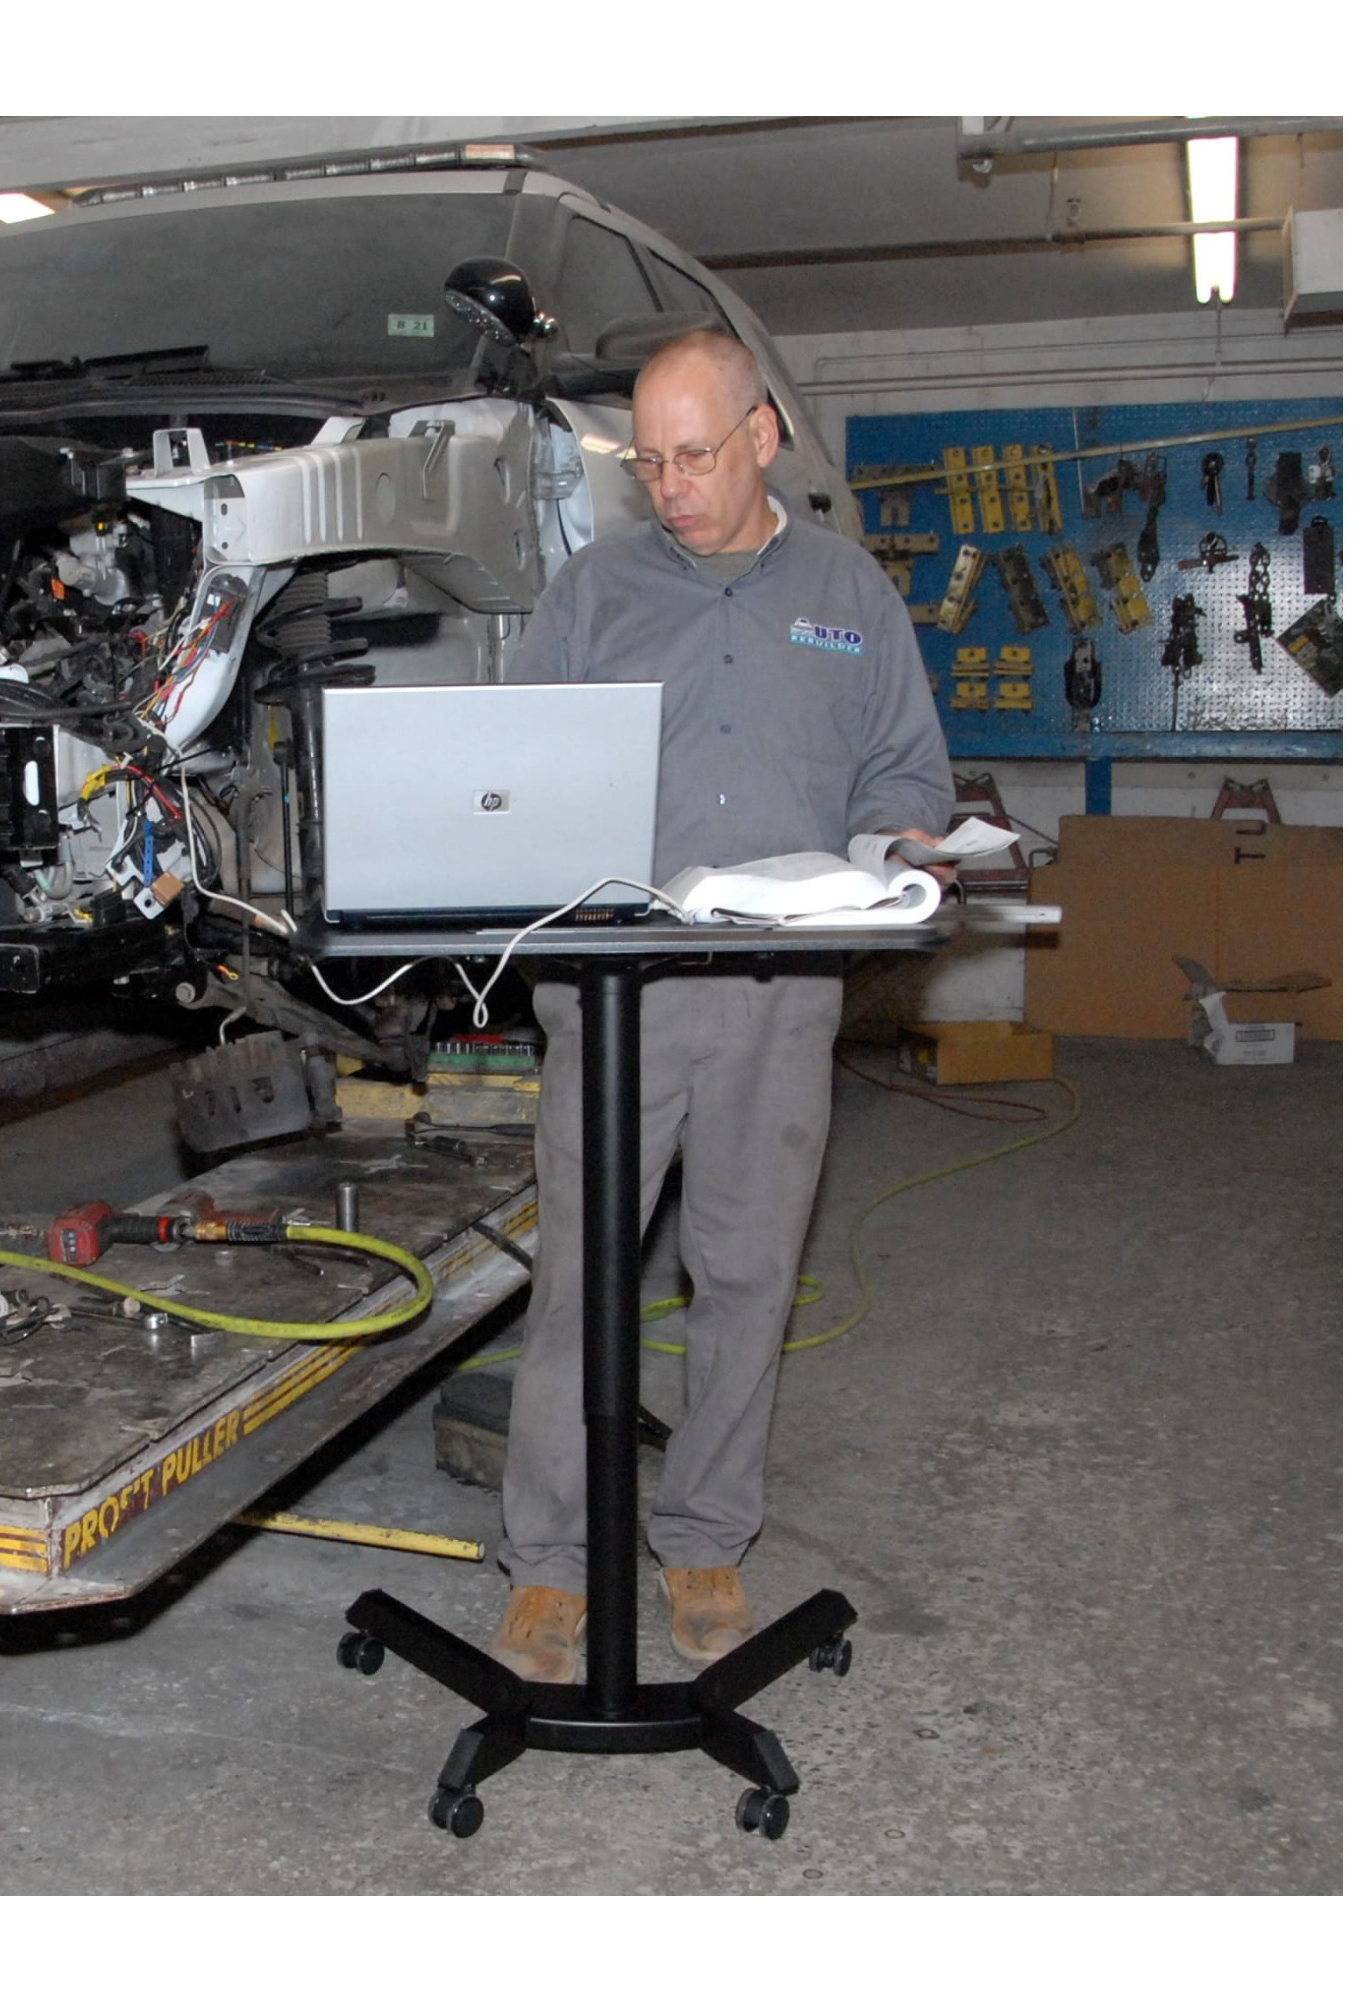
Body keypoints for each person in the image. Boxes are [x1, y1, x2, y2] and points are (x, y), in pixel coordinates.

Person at [490, 329, 954, 1682]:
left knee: (746, 1277)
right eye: (650, 462)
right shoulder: (592, 593)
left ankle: (703, 1540)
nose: (671, 486)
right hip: (614, 995)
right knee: (582, 1281)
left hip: (777, 996)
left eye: (694, 455)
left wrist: (900, 845)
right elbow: (509, 776)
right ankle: (550, 1562)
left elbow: (904, 769)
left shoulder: (849, 591)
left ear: (763, 437)